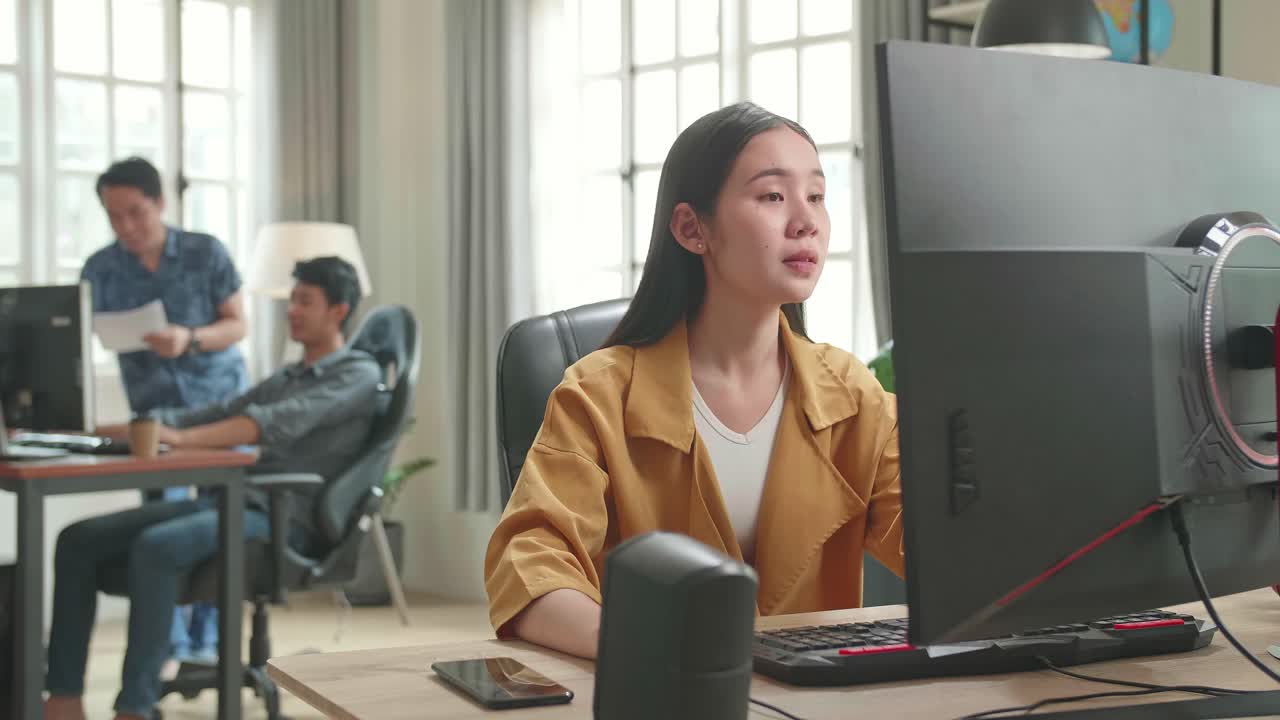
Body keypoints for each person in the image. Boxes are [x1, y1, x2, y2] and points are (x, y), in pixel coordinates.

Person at [484, 103, 905, 660]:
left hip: (814, 699)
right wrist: (655, 649)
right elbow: (531, 566)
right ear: (692, 228)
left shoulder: (851, 394)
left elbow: (943, 538)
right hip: (660, 697)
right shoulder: (599, 393)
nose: (806, 221)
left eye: (818, 196)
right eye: (773, 196)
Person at [44, 257, 382, 720]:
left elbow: (271, 423)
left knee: (156, 547)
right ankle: (63, 700)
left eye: (306, 302)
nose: (293, 311)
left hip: (286, 518)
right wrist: (82, 429)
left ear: (338, 312)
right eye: (293, 300)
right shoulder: (287, 376)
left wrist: (180, 441)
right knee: (77, 540)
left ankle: (134, 708)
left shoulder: (356, 374)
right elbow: (208, 413)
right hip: (232, 501)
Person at [83, 156, 252, 664]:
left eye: (135, 213)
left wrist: (190, 338)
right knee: (161, 524)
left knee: (220, 524)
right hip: (153, 421)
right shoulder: (100, 268)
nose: (126, 227)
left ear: (159, 202)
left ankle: (212, 647)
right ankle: (169, 646)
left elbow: (237, 325)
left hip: (219, 410)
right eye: (114, 217)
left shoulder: (205, 253)